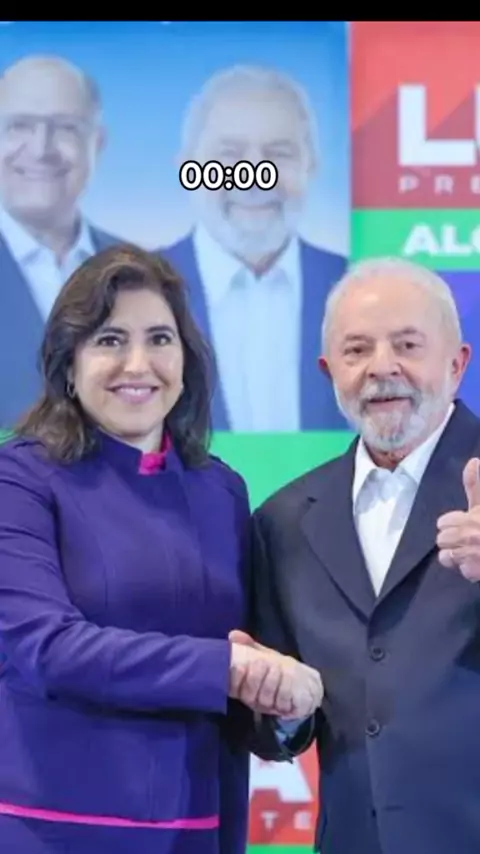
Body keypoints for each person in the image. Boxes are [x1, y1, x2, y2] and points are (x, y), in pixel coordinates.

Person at [0, 244, 323, 854]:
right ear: (68, 363)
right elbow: (48, 648)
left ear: (185, 359)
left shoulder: (222, 490)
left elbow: (246, 662)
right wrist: (226, 669)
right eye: (109, 340)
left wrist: (282, 711)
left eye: (159, 339)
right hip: (53, 829)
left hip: (199, 829)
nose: (138, 363)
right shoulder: (19, 478)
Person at [232, 256, 480, 854]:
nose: (382, 367)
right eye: (357, 350)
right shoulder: (284, 520)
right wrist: (280, 710)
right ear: (328, 372)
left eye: (407, 345)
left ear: (457, 363)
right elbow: (275, 726)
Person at [160, 64, 347, 432]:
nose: (254, 174)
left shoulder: (353, 283)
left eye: (279, 153)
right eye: (229, 154)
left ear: (311, 167)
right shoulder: (138, 289)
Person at [0, 54, 120, 424]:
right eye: (19, 126)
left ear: (97, 143)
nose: (41, 149)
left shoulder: (140, 269)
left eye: (65, 127)